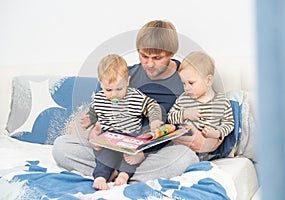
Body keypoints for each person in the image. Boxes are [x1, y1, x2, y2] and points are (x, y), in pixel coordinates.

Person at [52, 20, 219, 183]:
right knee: (61, 147)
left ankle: (112, 172)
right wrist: (94, 135)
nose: (149, 64)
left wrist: (207, 142)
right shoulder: (123, 76)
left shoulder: (188, 78)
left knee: (184, 158)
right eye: (144, 56)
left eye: (157, 57)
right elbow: (100, 112)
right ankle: (120, 171)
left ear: (171, 53)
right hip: (117, 146)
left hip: (156, 151)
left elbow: (213, 119)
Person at [82, 54, 163, 190]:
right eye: (108, 89)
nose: (114, 95)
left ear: (127, 81)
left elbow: (152, 105)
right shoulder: (99, 98)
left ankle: (123, 175)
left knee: (131, 156)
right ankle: (101, 177)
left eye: (119, 89)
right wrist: (88, 120)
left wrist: (155, 120)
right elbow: (93, 112)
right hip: (109, 138)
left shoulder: (134, 96)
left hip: (130, 137)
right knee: (103, 156)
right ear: (100, 83)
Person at [168, 51, 234, 160]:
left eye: (191, 83)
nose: (186, 88)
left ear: (208, 80)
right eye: (183, 83)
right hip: (182, 149)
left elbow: (229, 123)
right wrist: (184, 114)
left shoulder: (221, 101)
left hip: (209, 152)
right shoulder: (184, 99)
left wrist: (217, 133)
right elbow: (171, 117)